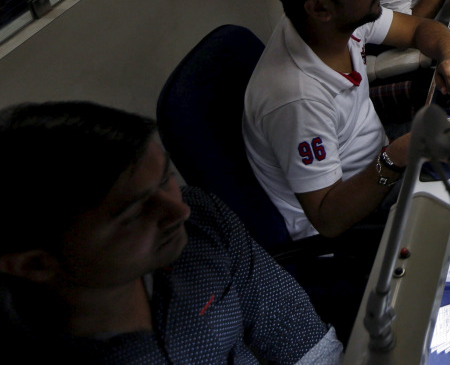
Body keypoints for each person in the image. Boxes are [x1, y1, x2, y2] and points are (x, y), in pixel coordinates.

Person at [0, 101, 342, 363]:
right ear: (35, 265)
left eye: (166, 179)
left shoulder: (201, 226)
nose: (178, 211)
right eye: (134, 213)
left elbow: (296, 334)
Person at [244, 0, 450, 241]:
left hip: (380, 159)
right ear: (319, 7)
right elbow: (329, 218)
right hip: (353, 220)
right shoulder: (295, 99)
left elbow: (420, 29)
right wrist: (399, 155)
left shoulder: (337, 21)